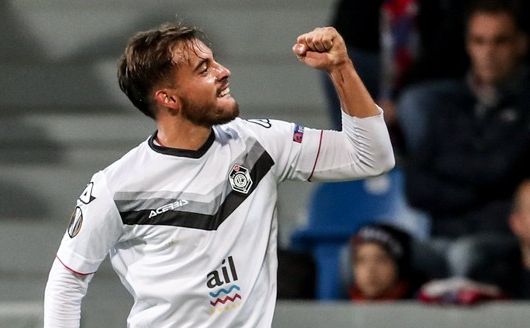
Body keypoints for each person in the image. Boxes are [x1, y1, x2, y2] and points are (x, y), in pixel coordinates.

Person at [43, 22, 395, 327]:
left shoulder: (261, 144)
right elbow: (67, 280)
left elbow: (371, 157)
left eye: (214, 60)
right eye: (203, 69)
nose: (223, 71)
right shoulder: (116, 186)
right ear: (169, 99)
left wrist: (342, 68)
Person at [400, 0, 530, 279]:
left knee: (465, 256)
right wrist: (482, 191)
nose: (488, 52)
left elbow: (502, 168)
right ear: (468, 46)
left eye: (500, 41)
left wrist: (452, 171)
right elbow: (416, 187)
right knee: (368, 256)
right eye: (479, 41)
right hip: (443, 239)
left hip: (503, 243)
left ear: (520, 44)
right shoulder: (446, 104)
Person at [347, 222, 424, 301]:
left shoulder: (421, 304)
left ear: (399, 267)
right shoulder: (344, 307)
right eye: (361, 260)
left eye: (380, 259)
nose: (370, 270)